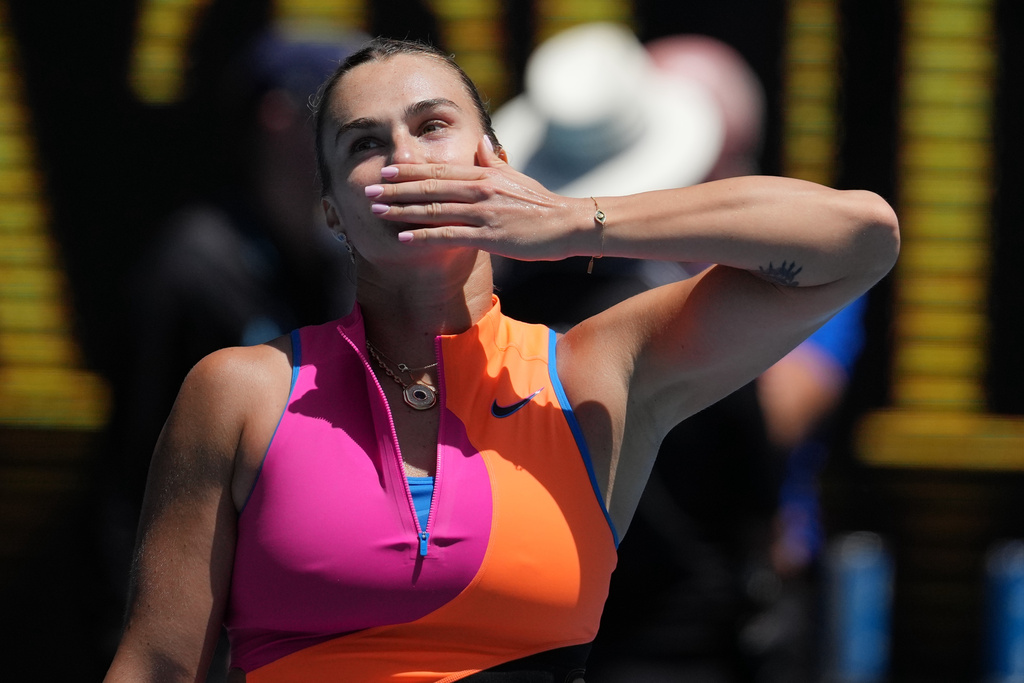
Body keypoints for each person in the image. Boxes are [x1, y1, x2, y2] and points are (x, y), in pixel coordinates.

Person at [103, 37, 899, 683]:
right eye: (365, 143)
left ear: (497, 161)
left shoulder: (592, 371)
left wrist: (572, 218)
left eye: (432, 125)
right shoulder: (240, 392)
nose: (404, 158)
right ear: (333, 210)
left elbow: (862, 237)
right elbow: (157, 664)